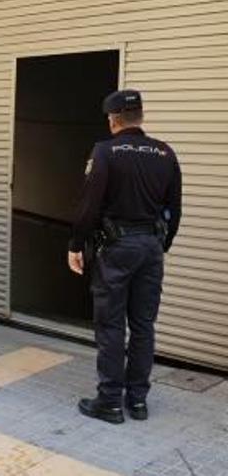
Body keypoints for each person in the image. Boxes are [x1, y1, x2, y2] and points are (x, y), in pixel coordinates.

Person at [68, 89, 182, 424]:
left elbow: (88, 205)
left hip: (117, 250)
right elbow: (174, 209)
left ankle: (110, 403)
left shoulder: (106, 152)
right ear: (140, 117)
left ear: (112, 119)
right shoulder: (165, 152)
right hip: (150, 248)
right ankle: (138, 401)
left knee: (111, 325)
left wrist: (76, 244)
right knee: (144, 325)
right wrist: (162, 245)